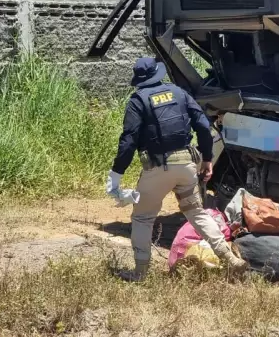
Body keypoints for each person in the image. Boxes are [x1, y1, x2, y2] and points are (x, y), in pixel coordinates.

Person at [106, 56, 248, 282]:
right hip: (186, 167)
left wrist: (116, 174)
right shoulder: (178, 93)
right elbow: (202, 125)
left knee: (142, 218)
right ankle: (230, 259)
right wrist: (208, 159)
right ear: (157, 74)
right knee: (196, 213)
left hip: (157, 169)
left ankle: (140, 272)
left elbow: (128, 141)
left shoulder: (137, 100)